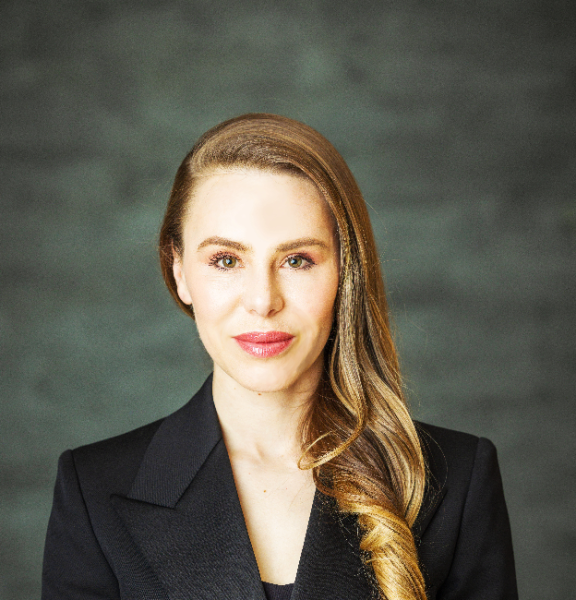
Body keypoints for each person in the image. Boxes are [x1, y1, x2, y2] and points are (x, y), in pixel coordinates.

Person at [42, 113, 518, 600]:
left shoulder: (456, 478)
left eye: (297, 260)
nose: (263, 300)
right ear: (179, 270)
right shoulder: (93, 489)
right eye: (226, 260)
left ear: (344, 271)